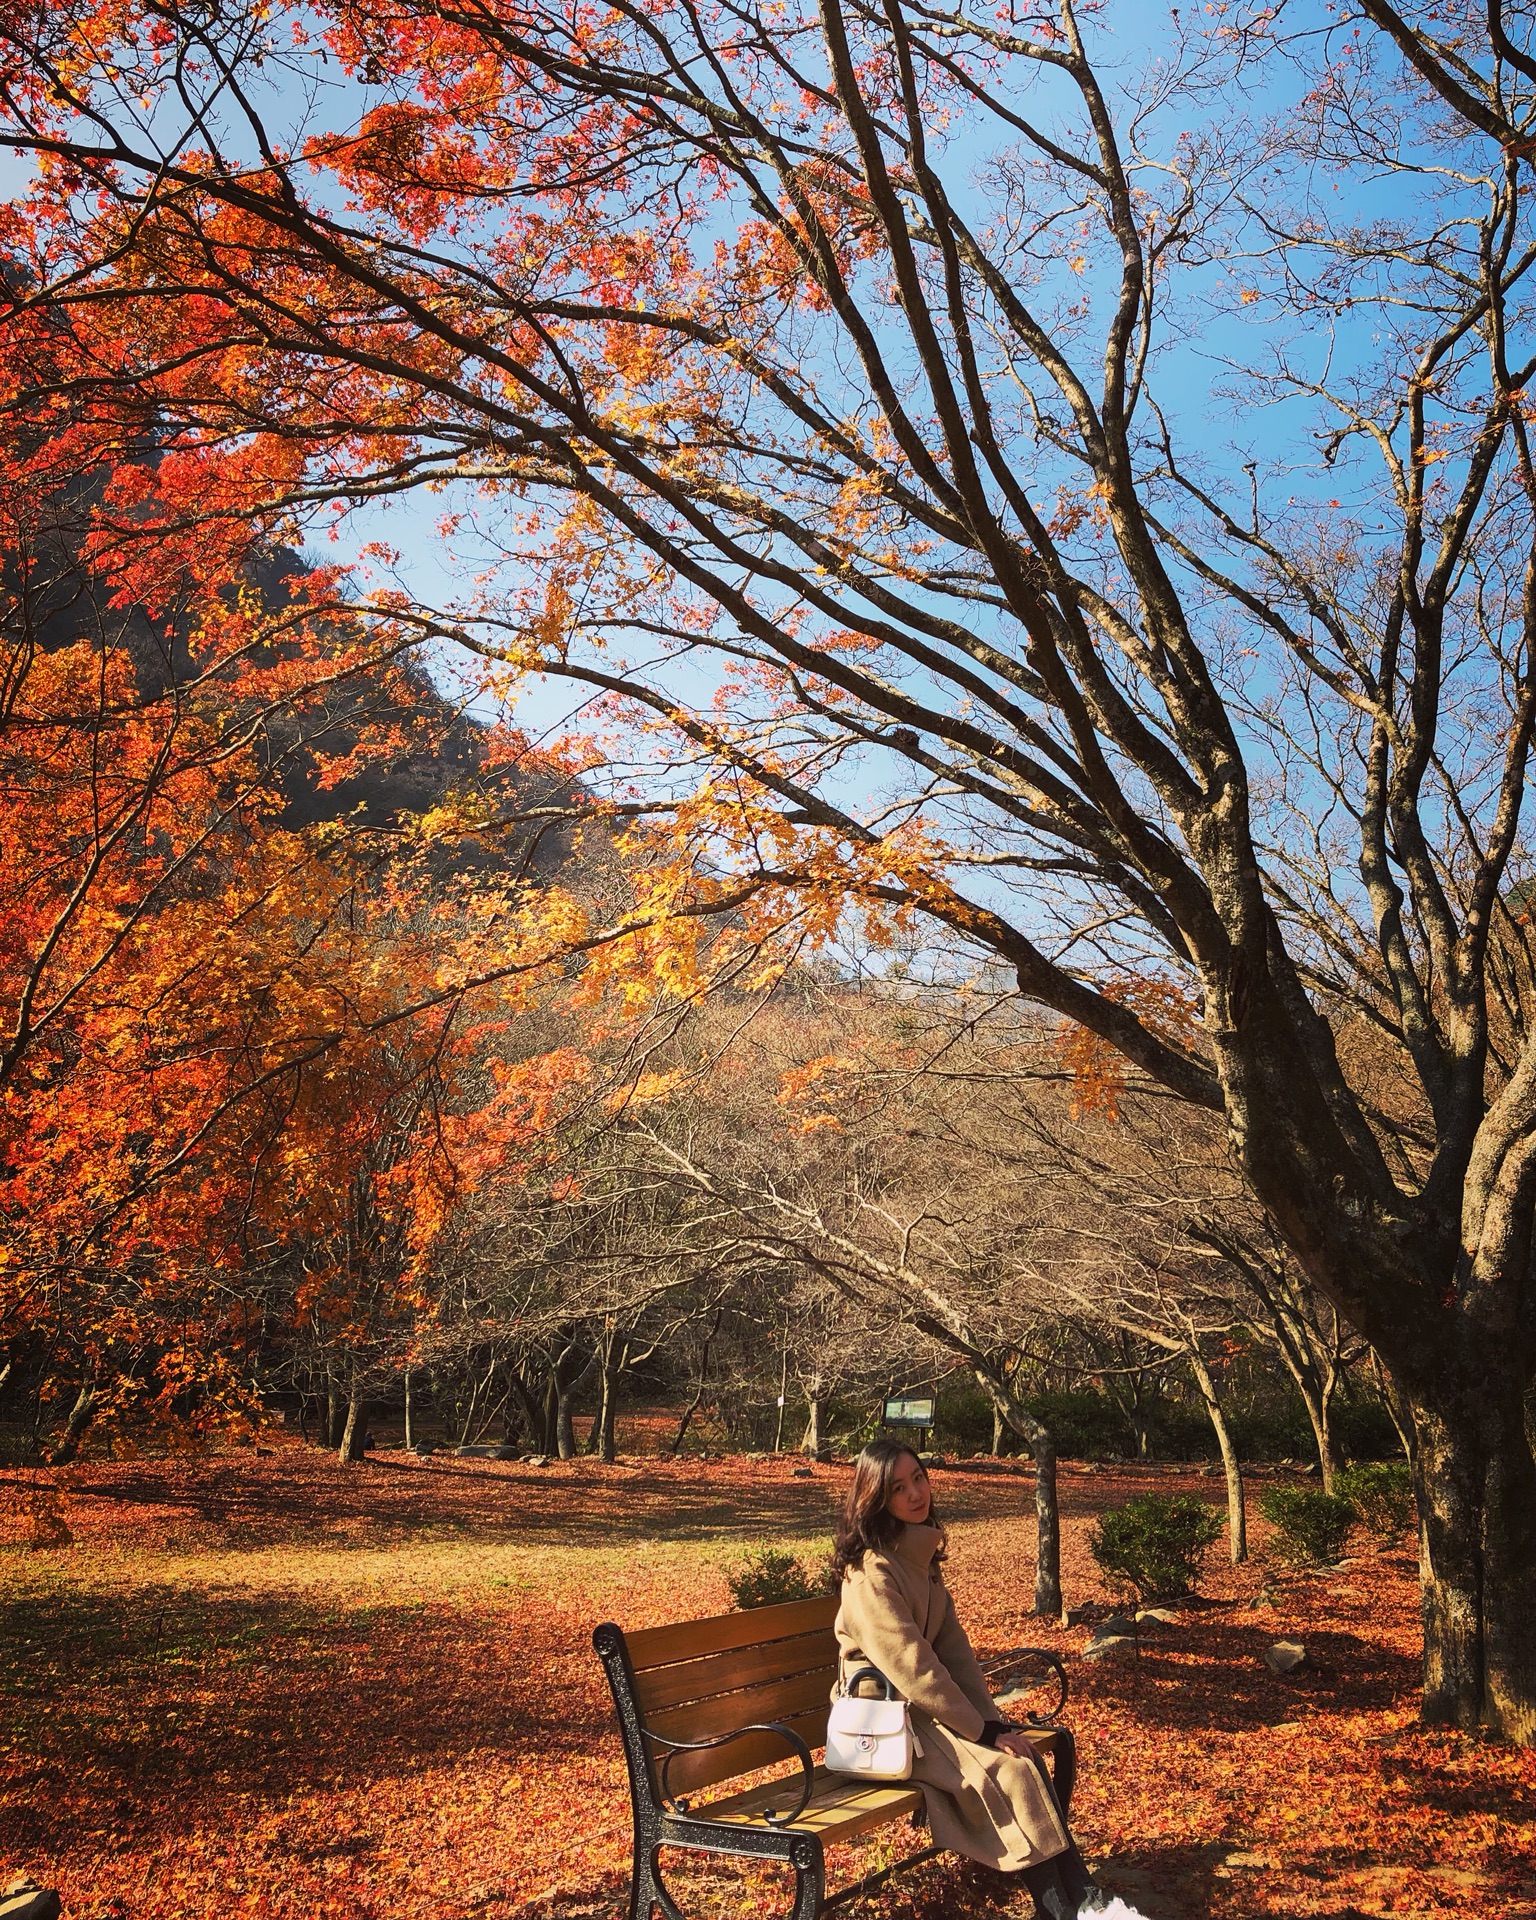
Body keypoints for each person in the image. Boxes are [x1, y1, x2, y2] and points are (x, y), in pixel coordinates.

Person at [830, 1437, 1148, 1920]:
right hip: (883, 1726)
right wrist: (981, 1733)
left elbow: (956, 1658)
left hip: (923, 1714)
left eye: (919, 1478)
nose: (916, 1493)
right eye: (899, 1488)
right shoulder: (871, 1574)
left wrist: (995, 1725)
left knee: (1024, 1758)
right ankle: (1064, 1908)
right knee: (1011, 1771)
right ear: (876, 1498)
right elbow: (912, 1667)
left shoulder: (919, 1560)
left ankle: (1082, 1897)